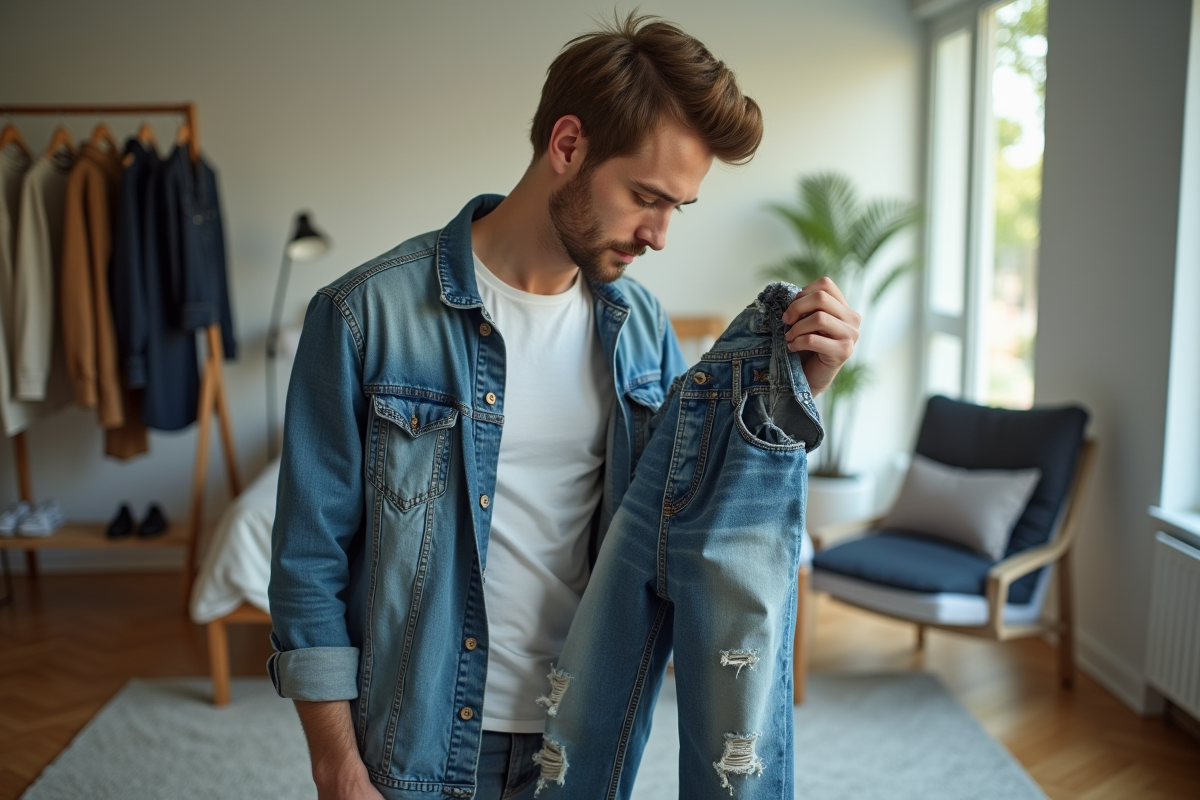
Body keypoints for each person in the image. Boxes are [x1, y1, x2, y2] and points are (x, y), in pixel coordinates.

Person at [268, 13, 860, 800]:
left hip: (582, 741)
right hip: (417, 750)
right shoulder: (361, 316)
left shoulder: (640, 328)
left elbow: (683, 526)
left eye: (677, 207)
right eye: (645, 196)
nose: (658, 235)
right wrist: (336, 768)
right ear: (568, 145)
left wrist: (802, 391)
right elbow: (308, 562)